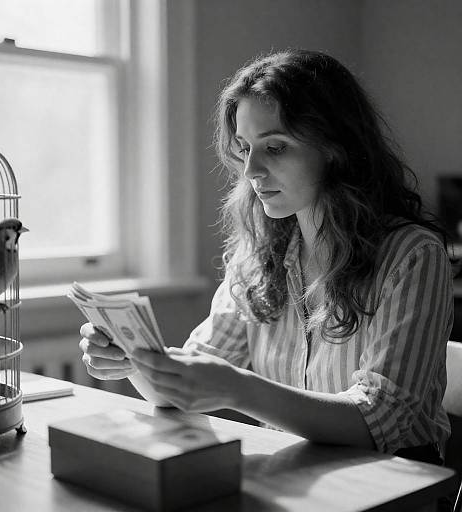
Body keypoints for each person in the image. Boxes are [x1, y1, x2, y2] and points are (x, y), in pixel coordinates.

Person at [79, 49, 454, 467]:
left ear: (335, 147)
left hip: (398, 485)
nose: (251, 170)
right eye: (244, 147)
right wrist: (130, 358)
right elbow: (182, 388)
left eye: (275, 147)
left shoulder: (412, 256)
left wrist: (240, 388)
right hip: (294, 471)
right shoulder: (259, 255)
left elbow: (381, 421)